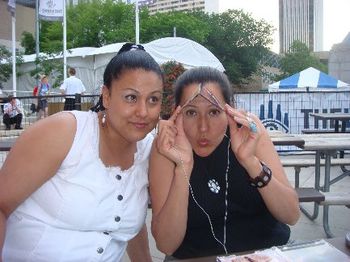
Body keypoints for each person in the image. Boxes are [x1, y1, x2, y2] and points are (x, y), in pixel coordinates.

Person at [0, 43, 164, 261]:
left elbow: (125, 220)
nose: (143, 112)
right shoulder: (65, 132)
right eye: (131, 97)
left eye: (153, 99)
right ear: (106, 96)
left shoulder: (149, 149)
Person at [149, 67, 300, 259]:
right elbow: (166, 244)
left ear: (230, 110)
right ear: (176, 113)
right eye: (191, 113)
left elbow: (291, 215)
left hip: (265, 253)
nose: (203, 127)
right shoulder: (166, 147)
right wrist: (183, 168)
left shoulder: (250, 132)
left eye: (213, 112)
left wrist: (251, 162)